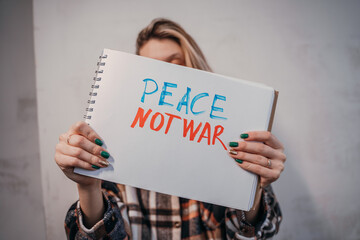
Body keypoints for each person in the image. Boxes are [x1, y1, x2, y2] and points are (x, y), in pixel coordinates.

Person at [55, 18, 286, 240]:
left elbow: (263, 231)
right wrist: (87, 186)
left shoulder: (232, 143)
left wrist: (252, 188)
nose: (164, 77)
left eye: (174, 64)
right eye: (151, 68)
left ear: (196, 68)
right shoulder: (116, 152)